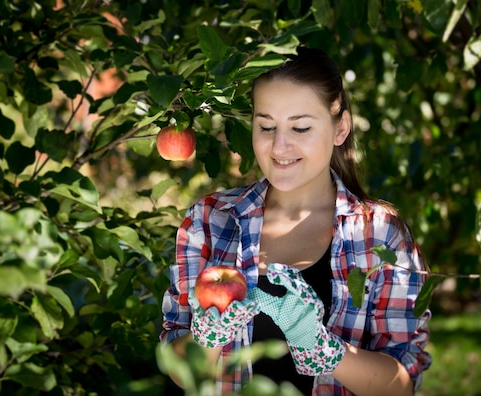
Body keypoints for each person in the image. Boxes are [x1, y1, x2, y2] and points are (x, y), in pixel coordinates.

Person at [160, 46, 432, 395]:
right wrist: (209, 337)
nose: (279, 146)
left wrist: (326, 351)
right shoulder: (210, 221)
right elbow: (181, 372)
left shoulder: (379, 235)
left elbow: (402, 385)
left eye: (300, 128)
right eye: (267, 126)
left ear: (340, 128)